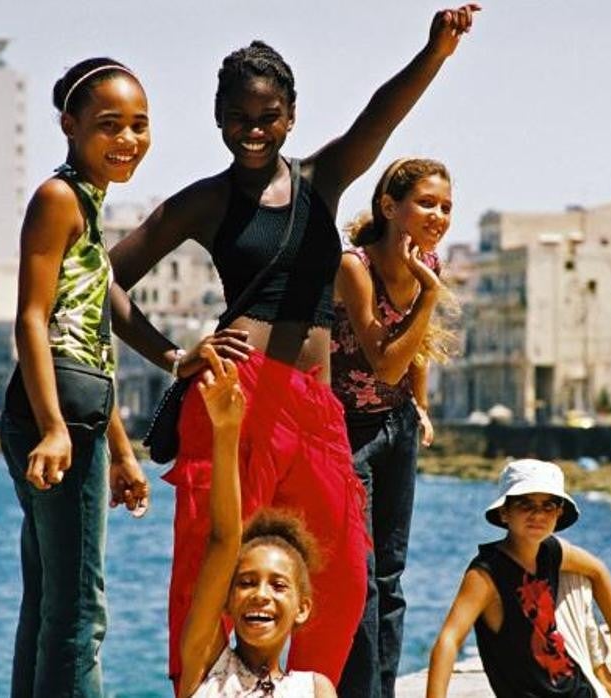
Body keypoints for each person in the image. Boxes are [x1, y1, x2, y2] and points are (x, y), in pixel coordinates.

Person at [107, 6, 480, 690]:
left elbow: (381, 118)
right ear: (219, 116)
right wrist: (174, 355)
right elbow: (105, 280)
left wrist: (436, 52)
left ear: (291, 116)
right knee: (212, 566)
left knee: (342, 573)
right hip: (236, 402)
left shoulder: (321, 180)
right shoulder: (205, 201)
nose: (253, 130)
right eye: (239, 117)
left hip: (315, 408)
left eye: (268, 115)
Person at [0, 57, 152, 697]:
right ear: (70, 124)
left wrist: (121, 450)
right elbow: (31, 321)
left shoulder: (87, 208)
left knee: (51, 601)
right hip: (55, 422)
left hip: (77, 417)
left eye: (139, 125)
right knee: (80, 611)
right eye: (109, 125)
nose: (127, 140)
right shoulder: (59, 199)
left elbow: (88, 340)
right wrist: (56, 428)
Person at [332, 157, 459, 697]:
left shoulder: (426, 260)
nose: (439, 216)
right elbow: (383, 359)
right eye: (426, 203)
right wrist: (429, 295)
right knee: (357, 578)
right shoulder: (353, 266)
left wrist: (422, 405)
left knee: (391, 574)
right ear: (389, 206)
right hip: (346, 433)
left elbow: (417, 346)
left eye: (446, 207)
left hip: (396, 425)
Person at [176, 346, 336, 698]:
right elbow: (223, 539)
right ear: (226, 601)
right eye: (246, 582)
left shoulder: (314, 688)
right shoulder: (208, 668)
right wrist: (227, 431)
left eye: (279, 586)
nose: (261, 595)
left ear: (302, 607)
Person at [427, 459, 611, 698]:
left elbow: (599, 571)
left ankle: (602, 680)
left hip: (579, 689)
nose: (537, 514)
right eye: (525, 504)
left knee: (578, 576)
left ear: (559, 513)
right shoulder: (486, 574)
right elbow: (449, 640)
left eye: (548, 506)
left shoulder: (551, 551)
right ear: (504, 512)